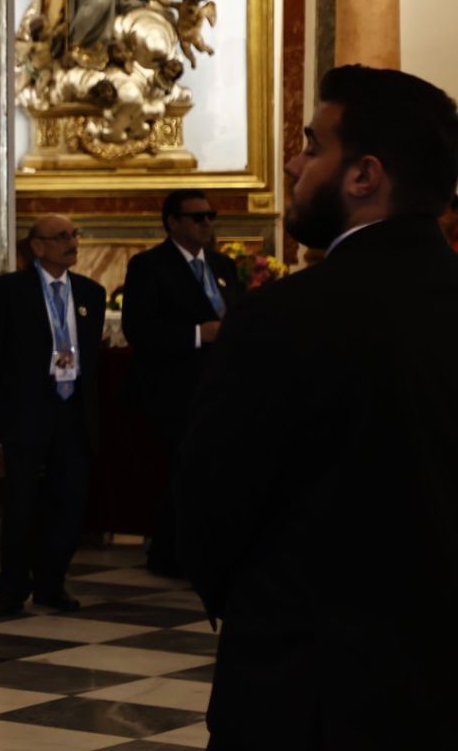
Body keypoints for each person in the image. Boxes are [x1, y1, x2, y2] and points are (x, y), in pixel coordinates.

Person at [177, 65, 458, 749]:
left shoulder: (284, 317)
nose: (295, 165)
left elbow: (210, 507)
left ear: (365, 176)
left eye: (311, 145)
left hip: (307, 685)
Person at [0, 214, 104, 615]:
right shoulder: (11, 290)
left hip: (73, 412)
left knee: (68, 502)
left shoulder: (90, 292)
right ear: (37, 246)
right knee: (23, 502)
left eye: (74, 235)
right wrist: (17, 398)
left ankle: (53, 584)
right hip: (30, 410)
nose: (72, 243)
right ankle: (13, 588)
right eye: (61, 237)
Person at [121, 188, 243, 576]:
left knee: (216, 471)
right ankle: (172, 553)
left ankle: (209, 548)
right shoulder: (149, 266)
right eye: (197, 217)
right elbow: (139, 329)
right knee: (182, 471)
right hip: (174, 388)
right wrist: (197, 334)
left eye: (210, 216)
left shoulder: (222, 266)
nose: (207, 223)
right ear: (172, 222)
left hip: (219, 387)